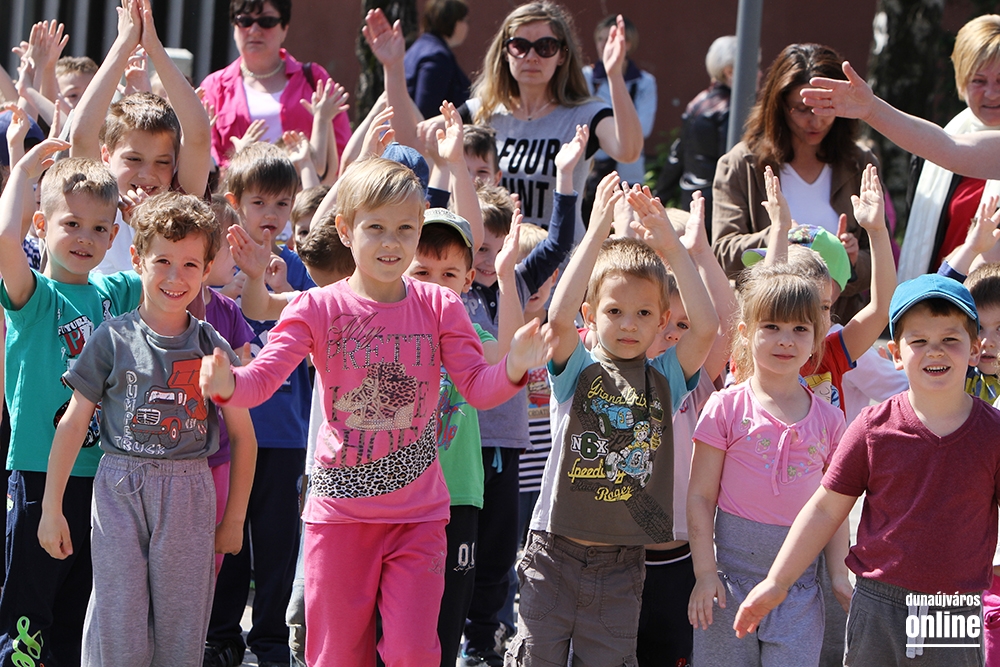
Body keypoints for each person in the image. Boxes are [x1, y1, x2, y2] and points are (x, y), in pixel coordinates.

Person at [199, 157, 554, 667]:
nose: (391, 242)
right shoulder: (316, 307)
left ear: (419, 226)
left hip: (419, 518)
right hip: (340, 518)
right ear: (346, 230)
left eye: (405, 229)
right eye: (376, 228)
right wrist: (228, 384)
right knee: (338, 655)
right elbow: (263, 379)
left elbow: (477, 387)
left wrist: (515, 364)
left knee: (414, 651)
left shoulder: (441, 306)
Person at [735, 272, 1000, 667]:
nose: (935, 352)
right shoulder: (872, 428)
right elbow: (825, 509)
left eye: (950, 339)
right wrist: (777, 581)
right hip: (878, 604)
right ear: (895, 353)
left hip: (955, 610)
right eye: (919, 341)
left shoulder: (993, 433)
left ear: (975, 349)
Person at [36, 192, 256, 666]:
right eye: (163, 262)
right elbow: (73, 423)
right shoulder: (111, 338)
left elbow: (243, 435)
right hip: (119, 490)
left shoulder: (213, 346)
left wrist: (234, 518)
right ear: (137, 259)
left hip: (189, 492)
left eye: (190, 265)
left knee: (181, 624)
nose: (175, 277)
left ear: (208, 268)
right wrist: (52, 508)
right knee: (118, 617)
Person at [504, 173, 715, 665]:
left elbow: (706, 328)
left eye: (643, 314)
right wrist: (597, 229)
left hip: (622, 565)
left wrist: (672, 247)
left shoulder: (666, 378)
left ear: (662, 321)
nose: (628, 324)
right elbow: (558, 319)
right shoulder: (577, 369)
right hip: (552, 553)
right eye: (615, 311)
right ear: (592, 314)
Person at [0, 142, 142, 666]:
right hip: (40, 473)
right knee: (28, 607)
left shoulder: (114, 292)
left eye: (99, 228)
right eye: (71, 224)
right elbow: (3, 239)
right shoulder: (35, 296)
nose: (85, 237)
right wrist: (21, 171)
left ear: (114, 234)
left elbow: (166, 262)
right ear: (41, 224)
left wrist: (144, 216)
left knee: (78, 615)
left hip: (103, 477)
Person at [460, 127, 582, 666]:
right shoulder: (453, 292)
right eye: (479, 249)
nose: (488, 259)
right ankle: (449, 633)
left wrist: (565, 179)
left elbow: (557, 244)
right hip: (457, 445)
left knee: (495, 554)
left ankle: (481, 641)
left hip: (506, 447)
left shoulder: (514, 282)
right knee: (456, 551)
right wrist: (451, 167)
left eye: (496, 247)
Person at [687, 264, 849, 667]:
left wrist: (839, 576)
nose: (785, 339)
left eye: (799, 329)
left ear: (817, 338)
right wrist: (705, 574)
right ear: (745, 332)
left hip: (799, 592)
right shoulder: (725, 407)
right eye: (772, 326)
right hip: (727, 588)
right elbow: (701, 496)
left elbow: (834, 510)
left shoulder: (831, 421)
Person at [205, 141, 314, 667]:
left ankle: (270, 639)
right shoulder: (215, 263)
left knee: (276, 541)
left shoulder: (299, 269)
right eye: (258, 202)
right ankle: (223, 634)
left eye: (282, 204)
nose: (271, 214)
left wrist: (285, 287)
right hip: (227, 432)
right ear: (234, 202)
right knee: (229, 537)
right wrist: (236, 280)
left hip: (286, 433)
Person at [423, 1, 643, 235]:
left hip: (563, 255)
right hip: (495, 254)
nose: (531, 56)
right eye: (520, 46)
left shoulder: (584, 114)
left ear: (562, 55)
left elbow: (628, 151)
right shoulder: (482, 111)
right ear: (505, 53)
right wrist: (397, 71)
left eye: (545, 46)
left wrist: (614, 75)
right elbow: (419, 138)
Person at [712, 43, 877, 325]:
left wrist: (851, 260)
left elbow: (880, 258)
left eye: (826, 107)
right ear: (779, 107)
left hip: (841, 328)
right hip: (767, 325)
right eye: (801, 109)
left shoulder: (860, 162)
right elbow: (723, 254)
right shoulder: (741, 163)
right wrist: (780, 236)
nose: (816, 121)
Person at [69, 0, 211, 275]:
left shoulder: (179, 202)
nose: (147, 173)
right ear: (106, 155)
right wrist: (124, 43)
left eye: (162, 162)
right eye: (134, 159)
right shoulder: (94, 196)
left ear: (176, 162)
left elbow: (199, 136)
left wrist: (154, 47)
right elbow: (82, 134)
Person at [894, 16, 1000, 281]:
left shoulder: (944, 147)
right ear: (961, 82)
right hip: (938, 298)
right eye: (979, 80)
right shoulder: (932, 153)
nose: (992, 93)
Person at [198, 0, 351, 173]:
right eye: (245, 21)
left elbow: (341, 151)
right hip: (237, 188)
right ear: (234, 27)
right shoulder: (214, 87)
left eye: (266, 21)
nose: (254, 31)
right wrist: (239, 162)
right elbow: (206, 158)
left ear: (284, 29)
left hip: (305, 188)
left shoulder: (314, 79)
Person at [655, 35, 735, 233]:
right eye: (755, 65)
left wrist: (658, 198)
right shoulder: (732, 109)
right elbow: (730, 164)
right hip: (719, 206)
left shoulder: (696, 102)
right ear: (729, 71)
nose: (759, 73)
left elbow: (677, 155)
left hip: (690, 199)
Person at [581, 15, 657, 217]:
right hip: (593, 174)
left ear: (627, 44)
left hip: (629, 175)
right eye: (600, 39)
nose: (603, 45)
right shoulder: (586, 77)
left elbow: (643, 128)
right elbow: (582, 122)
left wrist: (604, 126)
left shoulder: (644, 82)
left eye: (610, 39)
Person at [404, 0, 471, 120]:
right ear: (454, 22)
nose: (467, 27)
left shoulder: (419, 47)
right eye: (465, 21)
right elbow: (426, 111)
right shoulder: (437, 58)